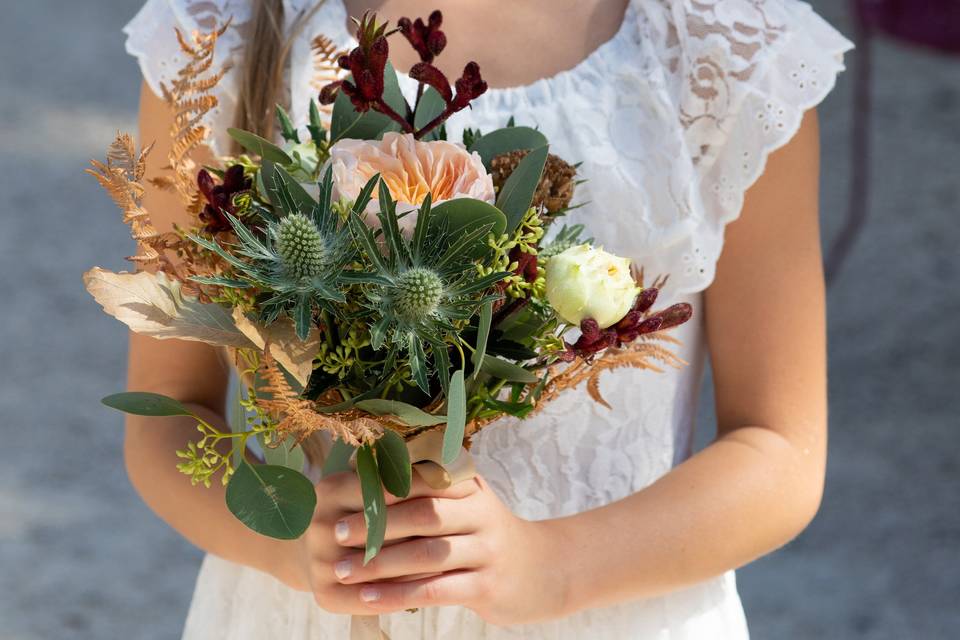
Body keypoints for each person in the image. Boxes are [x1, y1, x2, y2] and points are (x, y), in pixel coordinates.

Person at [122, 0, 854, 637]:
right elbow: (166, 416)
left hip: (614, 616)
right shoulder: (226, 33)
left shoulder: (724, 51)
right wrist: (287, 544)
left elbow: (780, 450)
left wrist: (554, 566)